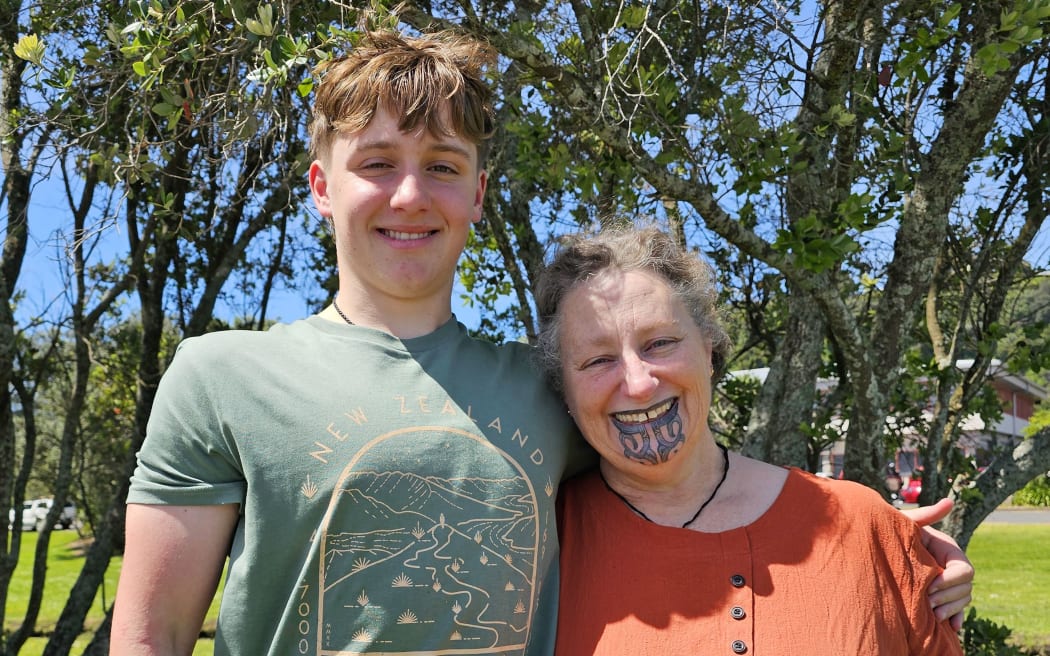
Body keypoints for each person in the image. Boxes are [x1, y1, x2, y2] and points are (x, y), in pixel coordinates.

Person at [111, 29, 971, 656]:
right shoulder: (221, 377)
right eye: (376, 162)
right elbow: (149, 640)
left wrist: (877, 549)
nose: (411, 194)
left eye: (443, 165)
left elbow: (679, 463)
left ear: (477, 194)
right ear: (321, 189)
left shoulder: (546, 391)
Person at [534, 226, 965, 655]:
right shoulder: (533, 547)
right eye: (597, 360)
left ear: (709, 348)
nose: (639, 383)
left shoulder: (863, 527)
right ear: (564, 388)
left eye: (660, 343)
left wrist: (894, 542)